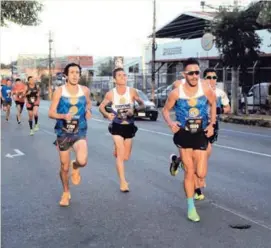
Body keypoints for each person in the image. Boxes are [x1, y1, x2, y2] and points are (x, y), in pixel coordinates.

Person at [162, 58, 216, 222]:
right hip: (184, 134)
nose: (194, 76)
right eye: (191, 73)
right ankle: (191, 207)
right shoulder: (177, 93)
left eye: (197, 73)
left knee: (201, 173)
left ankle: (175, 162)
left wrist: (212, 124)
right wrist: (171, 123)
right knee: (190, 171)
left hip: (200, 133)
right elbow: (165, 110)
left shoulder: (205, 88)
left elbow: (213, 104)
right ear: (184, 74)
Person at [48, 63, 92, 207]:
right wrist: (63, 116)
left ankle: (76, 166)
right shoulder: (60, 91)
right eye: (72, 72)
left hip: (80, 131)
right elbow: (51, 113)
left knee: (83, 160)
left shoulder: (85, 90)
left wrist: (88, 111)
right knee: (64, 167)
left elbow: (88, 104)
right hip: (63, 132)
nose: (75, 75)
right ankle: (66, 192)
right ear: (66, 75)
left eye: (77, 72)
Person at [99, 68, 144, 192]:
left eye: (124, 75)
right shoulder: (111, 94)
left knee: (126, 156)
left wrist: (133, 110)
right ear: (114, 79)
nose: (123, 77)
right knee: (120, 153)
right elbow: (101, 107)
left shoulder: (132, 92)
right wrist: (107, 115)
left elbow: (142, 104)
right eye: (120, 75)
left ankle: (118, 150)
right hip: (117, 125)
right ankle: (123, 182)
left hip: (129, 126)